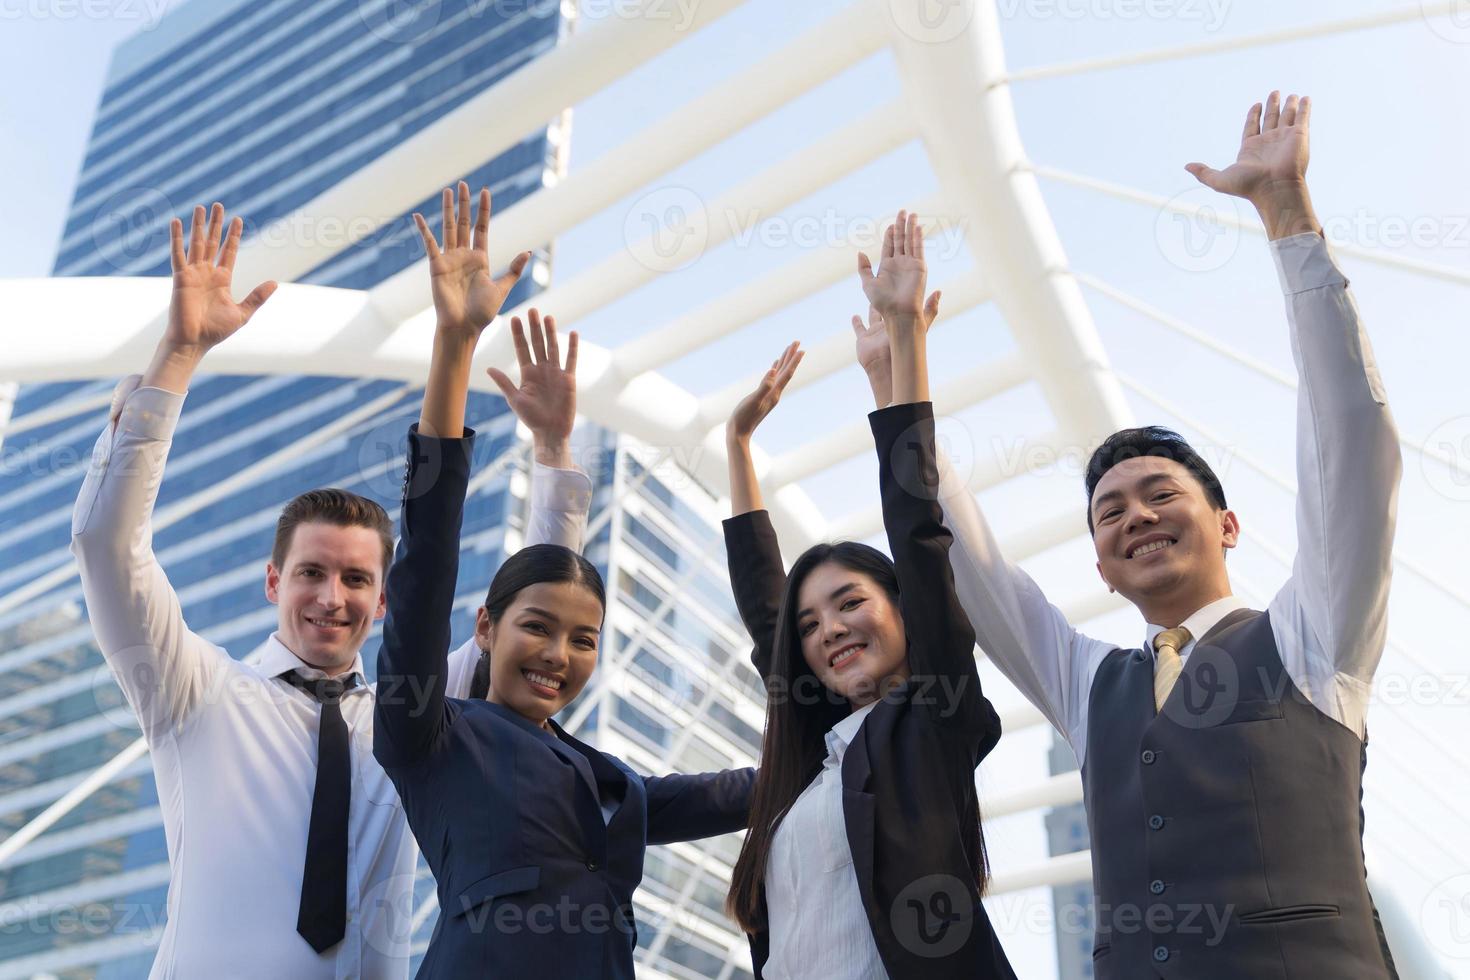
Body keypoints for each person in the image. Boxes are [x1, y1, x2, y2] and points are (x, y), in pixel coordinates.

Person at [855, 94, 1402, 977]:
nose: (1135, 515)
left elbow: (1353, 450)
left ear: (1227, 524)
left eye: (1159, 494)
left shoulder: (1314, 640)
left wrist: (1287, 216)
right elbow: (969, 563)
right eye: (1109, 512)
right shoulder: (1087, 686)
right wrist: (902, 376)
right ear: (1101, 569)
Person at [69, 201, 589, 978]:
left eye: (356, 579)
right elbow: (108, 546)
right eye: (311, 573)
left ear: (385, 602)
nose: (331, 597)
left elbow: (537, 617)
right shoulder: (193, 691)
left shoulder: (414, 717)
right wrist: (177, 356)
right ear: (274, 581)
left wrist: (552, 451)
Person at [371, 183, 756, 978]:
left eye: (585, 639)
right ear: (485, 629)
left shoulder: (602, 777)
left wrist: (847, 722)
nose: (559, 653)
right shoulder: (431, 731)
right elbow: (427, 560)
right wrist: (455, 348)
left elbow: (731, 792)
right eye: (537, 628)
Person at [720, 213, 1017, 979]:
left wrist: (904, 349)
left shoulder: (935, 719)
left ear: (903, 612)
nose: (830, 630)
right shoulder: (811, 765)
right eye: (814, 624)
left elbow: (920, 539)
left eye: (851, 602)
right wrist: (738, 448)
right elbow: (766, 615)